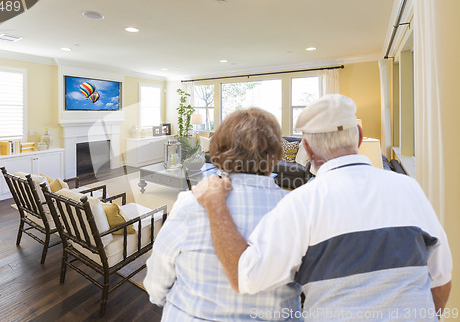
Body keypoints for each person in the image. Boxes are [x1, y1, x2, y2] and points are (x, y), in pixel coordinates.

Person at [193, 94, 453, 321]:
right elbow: (441, 282)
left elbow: (245, 277)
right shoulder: (410, 188)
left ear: (306, 146)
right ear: (359, 137)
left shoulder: (300, 203)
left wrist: (216, 205)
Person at [144, 108, 303, 321]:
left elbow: (157, 280)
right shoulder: (299, 212)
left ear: (220, 147)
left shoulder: (190, 203)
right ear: (275, 152)